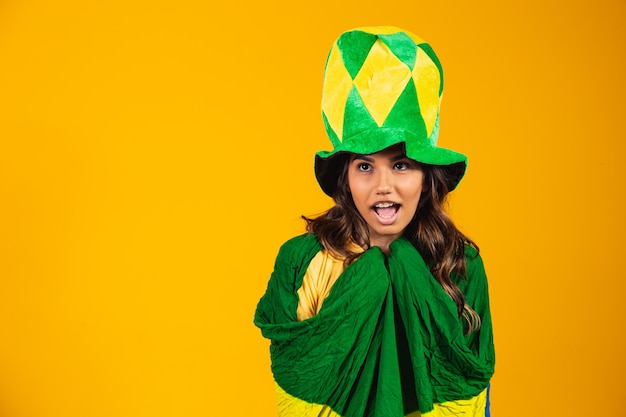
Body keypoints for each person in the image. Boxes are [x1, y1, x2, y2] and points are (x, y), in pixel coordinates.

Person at [254, 26, 495, 417]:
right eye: (365, 166)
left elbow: (473, 387)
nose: (384, 186)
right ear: (345, 179)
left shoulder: (459, 264)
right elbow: (295, 385)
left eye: (401, 165)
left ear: (426, 177)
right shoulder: (302, 262)